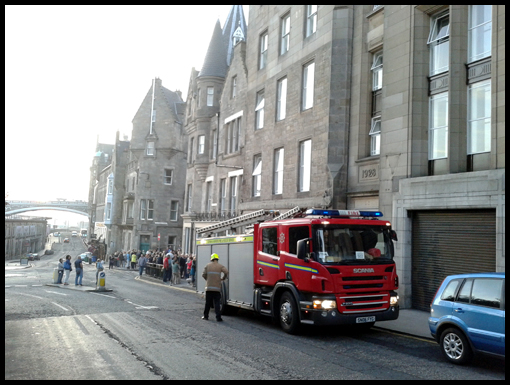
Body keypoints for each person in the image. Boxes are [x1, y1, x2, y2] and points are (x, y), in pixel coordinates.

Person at [202, 253, 228, 322]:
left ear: (211, 259)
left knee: (207, 303)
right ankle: (218, 318)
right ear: (217, 259)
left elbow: (203, 274)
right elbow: (226, 272)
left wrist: (207, 280)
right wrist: (223, 278)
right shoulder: (220, 266)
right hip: (217, 288)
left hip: (209, 288)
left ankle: (206, 316)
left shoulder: (207, 265)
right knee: (217, 303)